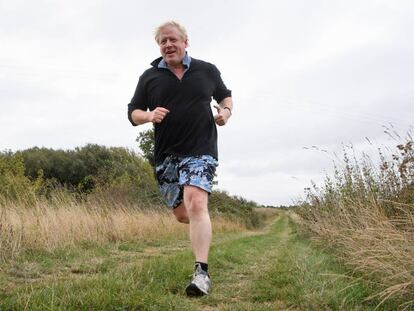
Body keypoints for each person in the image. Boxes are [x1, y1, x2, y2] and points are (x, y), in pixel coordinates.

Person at [127, 20, 233, 296]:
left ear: (186, 42)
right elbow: (133, 112)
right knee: (183, 213)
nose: (168, 45)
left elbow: (225, 97)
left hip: (201, 149)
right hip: (167, 156)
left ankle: (201, 273)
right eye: (163, 41)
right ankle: (202, 222)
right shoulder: (149, 77)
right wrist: (149, 115)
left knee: (196, 201)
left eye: (173, 39)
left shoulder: (207, 70)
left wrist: (225, 113)